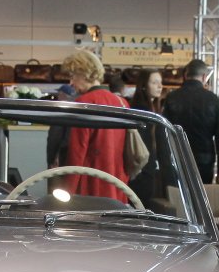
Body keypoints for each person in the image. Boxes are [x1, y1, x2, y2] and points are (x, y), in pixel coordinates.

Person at [57, 48, 131, 202]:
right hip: (118, 183)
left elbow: (77, 152)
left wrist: (68, 191)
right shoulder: (122, 103)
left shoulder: (84, 103)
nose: (71, 83)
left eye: (73, 76)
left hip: (91, 184)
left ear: (84, 73)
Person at [162, 58, 219, 185]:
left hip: (178, 157)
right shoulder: (213, 99)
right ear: (204, 77)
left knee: (178, 194)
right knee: (202, 193)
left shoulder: (172, 97)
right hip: (205, 160)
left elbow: (164, 131)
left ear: (186, 75)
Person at [127, 70, 165, 204]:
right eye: (154, 83)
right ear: (143, 86)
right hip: (142, 169)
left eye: (160, 82)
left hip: (142, 168)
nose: (160, 86)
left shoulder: (149, 108)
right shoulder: (143, 111)